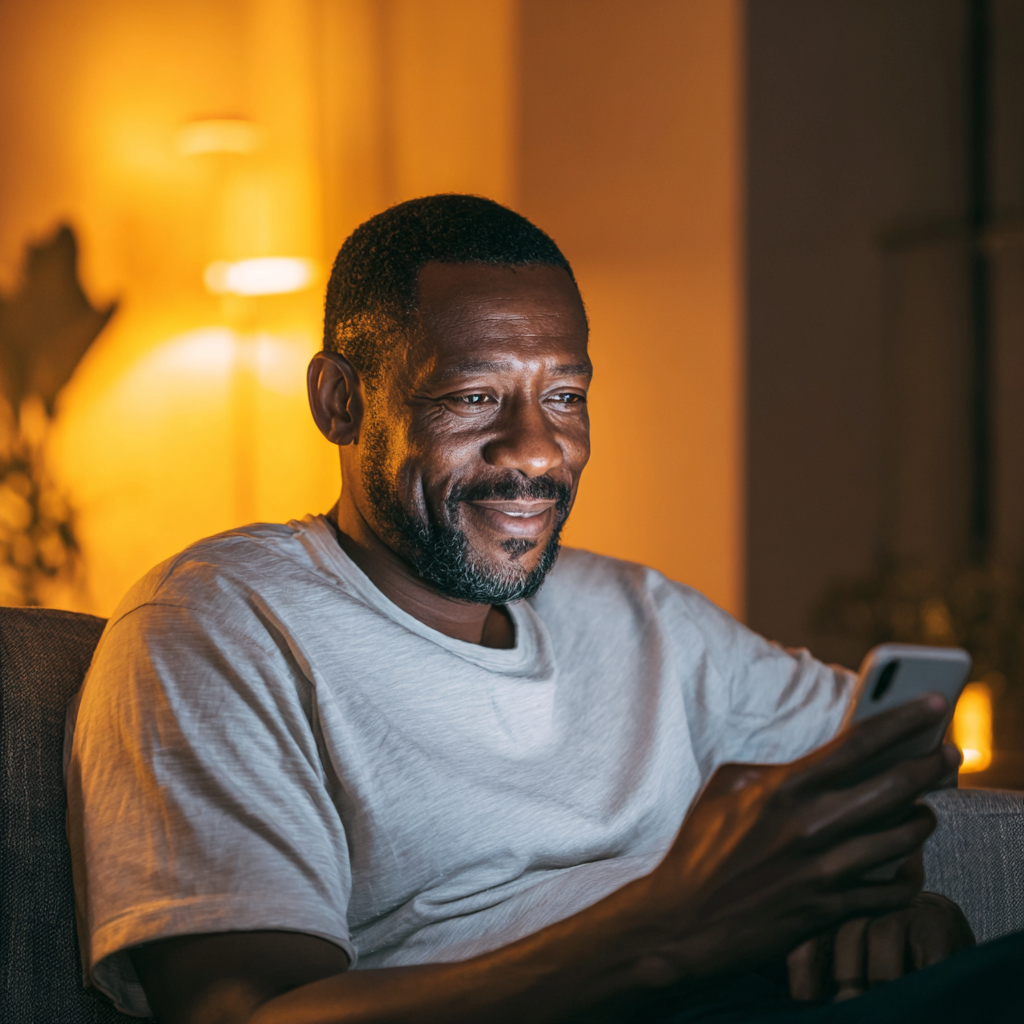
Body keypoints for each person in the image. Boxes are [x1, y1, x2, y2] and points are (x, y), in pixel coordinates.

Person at [65, 195, 1020, 1024]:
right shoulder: (220, 629)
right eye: (475, 396)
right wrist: (668, 933)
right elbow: (254, 1017)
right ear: (340, 402)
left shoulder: (644, 616)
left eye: (564, 395)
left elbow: (886, 759)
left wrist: (884, 903)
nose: (534, 450)